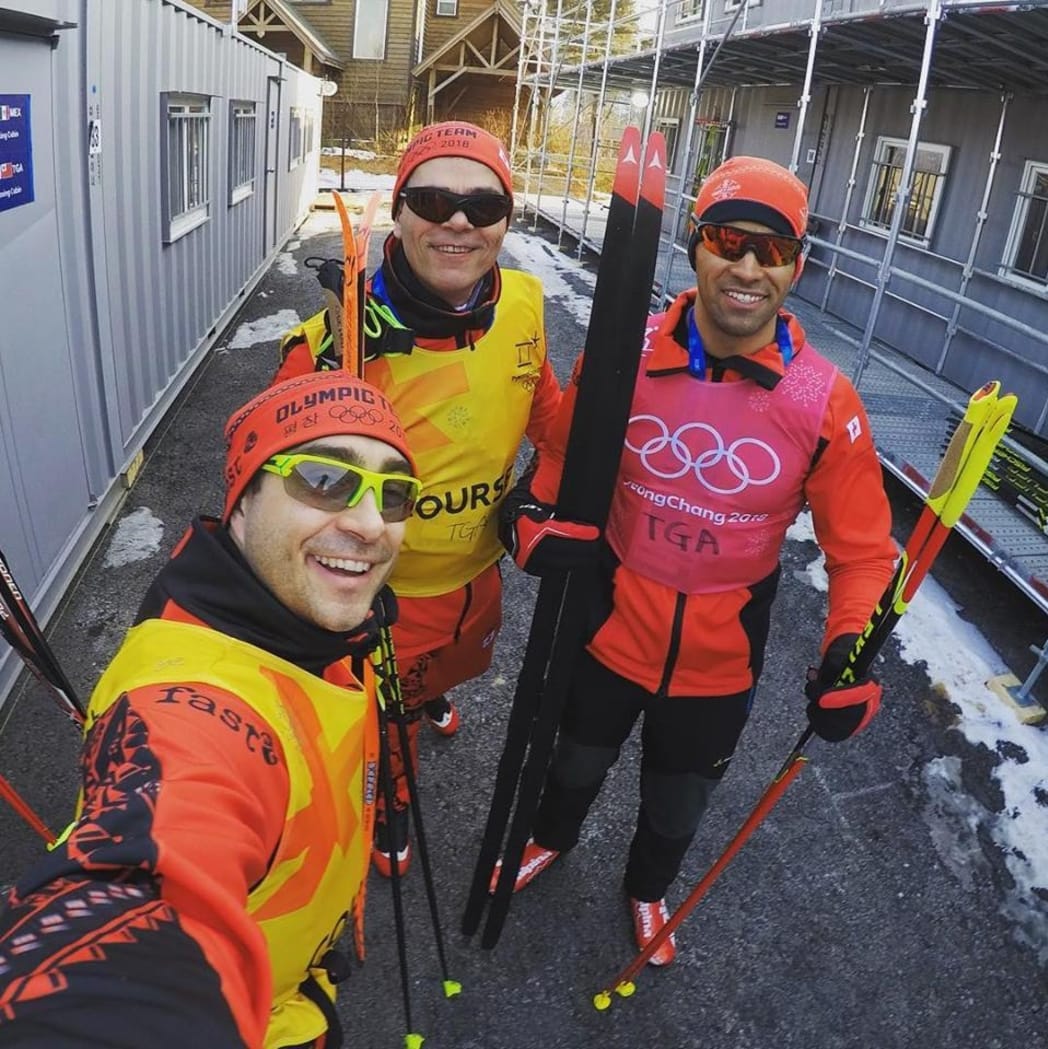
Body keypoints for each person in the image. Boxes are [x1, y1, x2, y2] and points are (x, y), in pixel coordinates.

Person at [495, 156, 899, 966]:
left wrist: (847, 653)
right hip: (608, 630)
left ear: (797, 265)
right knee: (573, 759)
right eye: (727, 240)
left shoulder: (824, 400)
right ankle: (549, 838)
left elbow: (863, 551)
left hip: (720, 661)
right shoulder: (625, 351)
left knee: (678, 801)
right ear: (695, 247)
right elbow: (564, 457)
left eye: (772, 250)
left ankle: (646, 887)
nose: (748, 267)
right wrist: (529, 515)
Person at [0, 372, 419, 1048]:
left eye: (394, 493)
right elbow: (159, 858)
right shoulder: (192, 705)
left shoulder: (300, 616)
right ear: (244, 502)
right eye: (322, 477)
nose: (372, 522)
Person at [274, 121, 562, 878]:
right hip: (385, 601)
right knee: (385, 718)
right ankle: (392, 791)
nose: (459, 220)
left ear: (508, 216)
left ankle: (428, 697)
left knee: (453, 670)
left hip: (477, 576)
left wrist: (543, 495)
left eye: (484, 203)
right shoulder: (334, 343)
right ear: (397, 210)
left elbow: (552, 424)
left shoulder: (527, 305)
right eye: (433, 198)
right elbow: (264, 494)